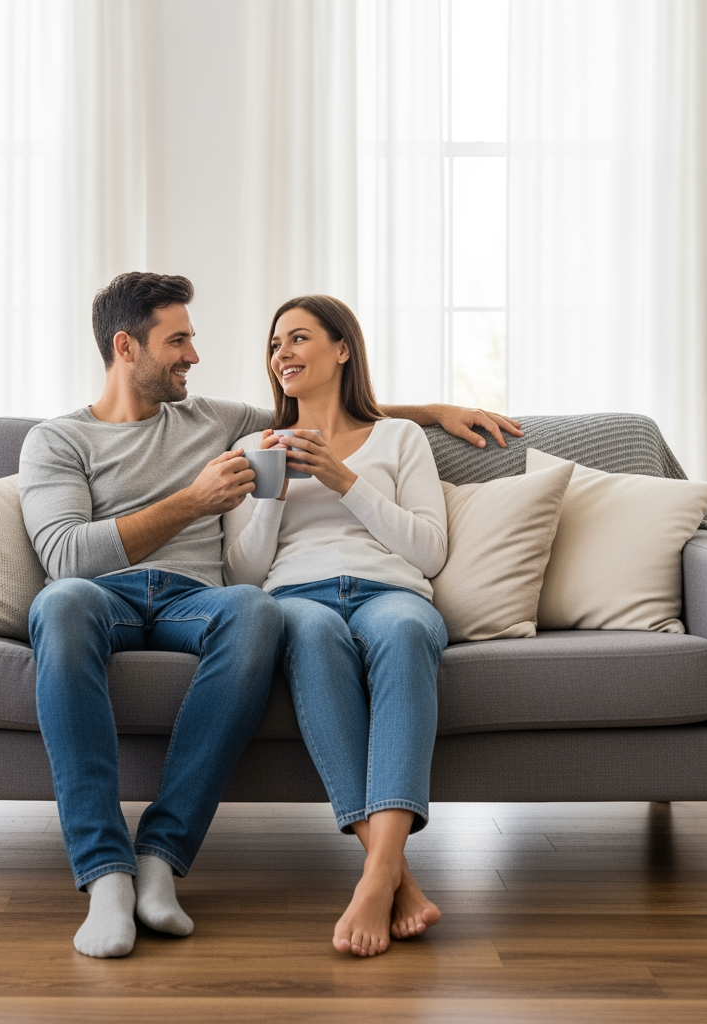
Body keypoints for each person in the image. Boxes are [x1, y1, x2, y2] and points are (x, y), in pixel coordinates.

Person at [20, 272, 523, 960]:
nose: (195, 355)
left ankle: (162, 858)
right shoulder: (56, 440)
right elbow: (66, 556)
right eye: (179, 341)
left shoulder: (218, 421)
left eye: (192, 339)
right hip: (102, 593)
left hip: (199, 600)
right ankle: (107, 873)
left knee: (257, 610)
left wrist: (433, 410)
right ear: (126, 348)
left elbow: (319, 410)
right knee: (61, 601)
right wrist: (196, 501)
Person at [222, 295, 523, 958]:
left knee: (407, 632)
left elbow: (430, 551)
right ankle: (394, 873)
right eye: (275, 346)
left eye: (298, 339)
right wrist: (268, 499)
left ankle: (378, 873)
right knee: (310, 635)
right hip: (297, 595)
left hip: (392, 590)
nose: (283, 355)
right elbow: (243, 575)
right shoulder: (253, 446)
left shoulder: (399, 439)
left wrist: (344, 479)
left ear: (342, 349)